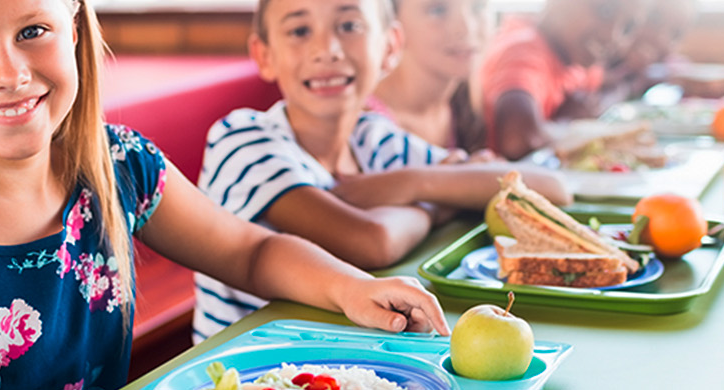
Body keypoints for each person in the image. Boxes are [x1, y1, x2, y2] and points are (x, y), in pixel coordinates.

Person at [0, 0, 451, 388]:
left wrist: (350, 288)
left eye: (32, 31)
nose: (11, 73)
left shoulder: (115, 165)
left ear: (73, 27)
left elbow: (249, 252)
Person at [193, 0, 571, 343]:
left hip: (347, 351)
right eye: (299, 31)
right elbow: (371, 241)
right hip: (247, 367)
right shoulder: (241, 138)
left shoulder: (373, 138)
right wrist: (437, 202)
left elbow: (547, 189)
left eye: (350, 26)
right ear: (264, 55)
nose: (327, 50)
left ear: (390, 47)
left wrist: (413, 183)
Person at [478, 0, 650, 160]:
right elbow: (517, 140)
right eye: (605, 11)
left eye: (627, 28)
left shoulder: (572, 57)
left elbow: (610, 86)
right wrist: (569, 124)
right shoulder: (524, 51)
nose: (612, 35)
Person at [369, 0, 492, 152]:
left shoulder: (472, 105)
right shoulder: (365, 122)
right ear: (393, 24)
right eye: (437, 10)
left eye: (478, 6)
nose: (467, 28)